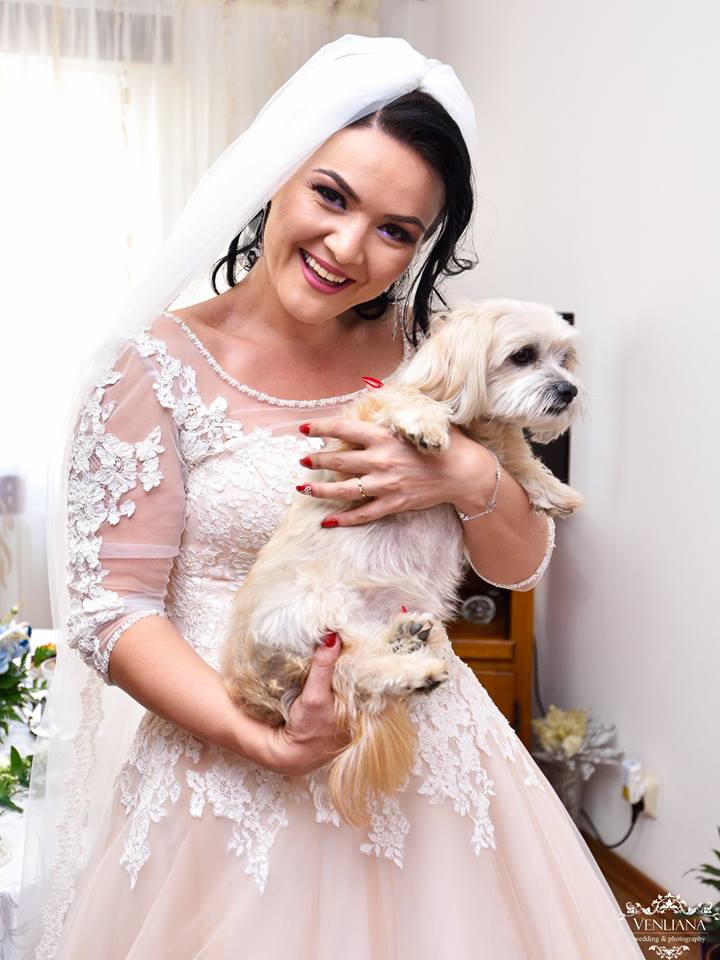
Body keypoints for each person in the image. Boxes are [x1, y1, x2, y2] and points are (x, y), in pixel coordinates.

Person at [17, 35, 644, 959]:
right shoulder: (150, 370)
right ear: (278, 175)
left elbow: (516, 566)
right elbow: (114, 611)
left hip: (429, 759)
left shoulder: (436, 354)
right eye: (332, 196)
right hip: (229, 769)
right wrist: (262, 741)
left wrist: (467, 474)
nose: (348, 248)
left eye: (396, 231)